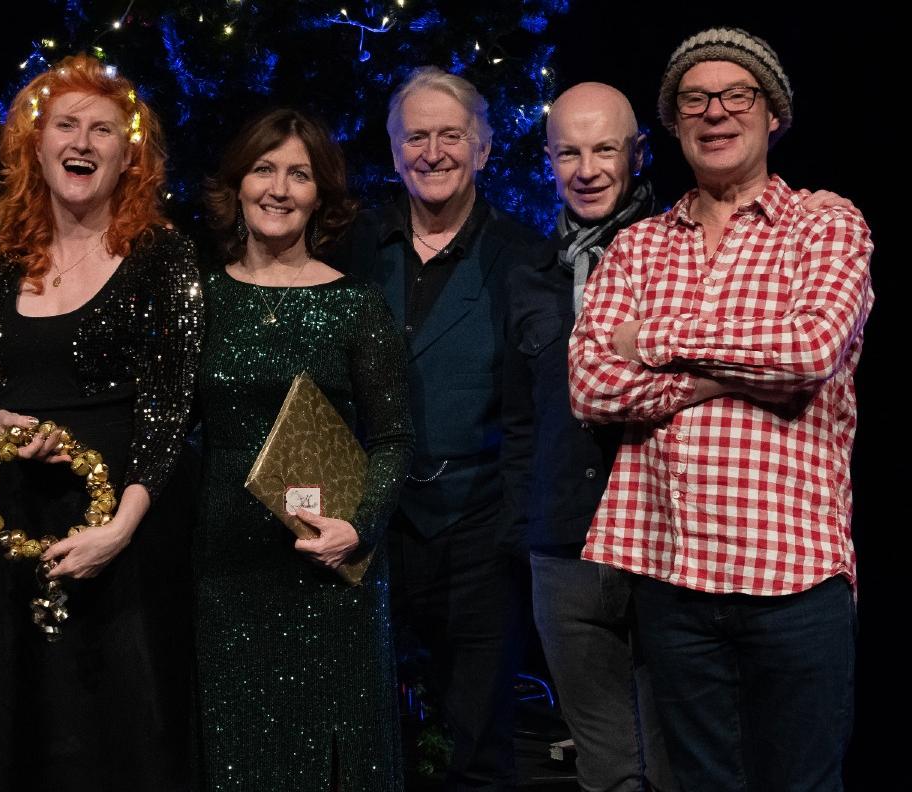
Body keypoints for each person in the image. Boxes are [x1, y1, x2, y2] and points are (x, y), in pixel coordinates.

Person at [568, 28, 872, 792]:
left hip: (795, 580)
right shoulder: (637, 248)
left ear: (773, 114)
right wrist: (717, 378)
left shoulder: (825, 224)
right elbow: (592, 387)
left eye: (736, 95)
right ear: (672, 124)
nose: (714, 112)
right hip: (675, 581)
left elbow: (808, 352)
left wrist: (659, 340)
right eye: (693, 100)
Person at [0, 54, 202, 792]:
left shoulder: (162, 255)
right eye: (67, 124)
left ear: (129, 152)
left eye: (104, 129)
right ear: (37, 141)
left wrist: (118, 529)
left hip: (128, 531)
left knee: (122, 727)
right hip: (15, 524)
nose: (83, 140)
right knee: (9, 723)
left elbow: (169, 407)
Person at [332, 66, 540, 790]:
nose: (432, 151)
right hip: (369, 528)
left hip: (479, 532)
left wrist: (514, 526)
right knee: (367, 737)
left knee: (478, 746)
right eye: (414, 136)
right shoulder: (352, 251)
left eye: (451, 135)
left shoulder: (524, 257)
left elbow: (533, 412)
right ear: (393, 153)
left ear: (483, 149)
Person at [195, 107, 412, 791]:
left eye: (300, 174)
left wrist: (361, 523)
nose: (279, 188)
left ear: (322, 195)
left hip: (329, 571)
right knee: (241, 759)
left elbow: (396, 437)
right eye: (264, 169)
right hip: (225, 575)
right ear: (238, 185)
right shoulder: (201, 300)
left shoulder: (358, 306)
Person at [502, 82, 672, 792]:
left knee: (676, 767)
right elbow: (517, 419)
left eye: (605, 149)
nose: (588, 168)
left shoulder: (681, 263)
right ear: (548, 159)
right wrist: (528, 529)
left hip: (667, 544)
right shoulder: (532, 276)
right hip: (564, 550)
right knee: (606, 773)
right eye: (569, 152)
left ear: (637, 153)